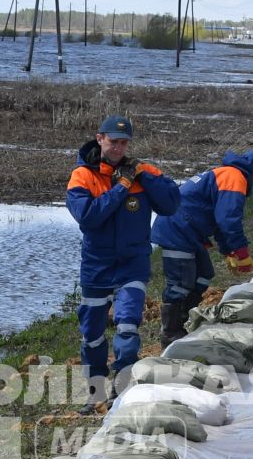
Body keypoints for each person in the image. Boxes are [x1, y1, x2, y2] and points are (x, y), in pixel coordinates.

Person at [66, 114, 180, 404]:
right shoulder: (83, 176)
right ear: (100, 138)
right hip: (97, 265)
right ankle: (94, 393)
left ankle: (124, 389)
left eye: (124, 143)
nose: (118, 148)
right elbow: (89, 217)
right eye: (114, 142)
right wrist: (121, 188)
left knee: (128, 323)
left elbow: (170, 204)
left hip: (132, 263)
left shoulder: (141, 172)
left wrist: (141, 176)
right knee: (92, 333)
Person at [152, 148, 253, 342]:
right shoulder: (234, 178)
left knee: (203, 274)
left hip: (188, 230)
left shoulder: (230, 175)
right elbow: (228, 220)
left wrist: (228, 250)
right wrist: (241, 253)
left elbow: (220, 220)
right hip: (177, 228)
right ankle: (170, 333)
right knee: (181, 282)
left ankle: (184, 321)